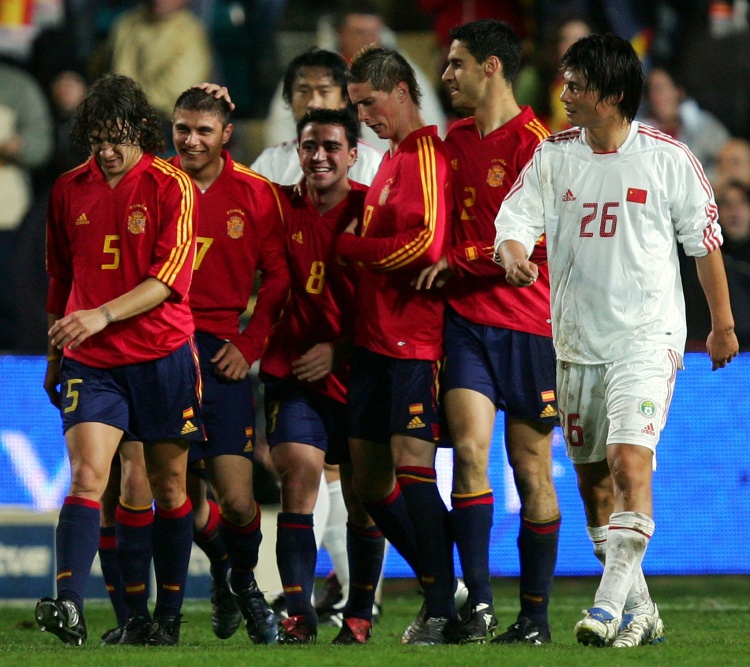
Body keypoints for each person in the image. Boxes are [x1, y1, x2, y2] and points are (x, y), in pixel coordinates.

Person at [494, 33, 739, 648]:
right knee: (594, 486)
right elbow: (514, 221)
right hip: (576, 343)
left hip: (646, 338)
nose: (565, 94)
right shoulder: (553, 157)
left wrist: (723, 325)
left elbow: (704, 243)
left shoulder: (667, 158)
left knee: (630, 463)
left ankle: (605, 610)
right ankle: (643, 610)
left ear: (610, 93)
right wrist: (515, 254)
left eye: (576, 85)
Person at [38, 73, 203, 646]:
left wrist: (101, 314)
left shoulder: (171, 186)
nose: (106, 151)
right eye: (96, 139)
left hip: (161, 353)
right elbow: (60, 277)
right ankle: (71, 604)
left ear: (141, 131)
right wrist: (55, 355)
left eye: (117, 138)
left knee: (165, 485)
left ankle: (167, 617)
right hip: (92, 360)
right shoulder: (68, 188)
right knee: (89, 476)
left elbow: (168, 279)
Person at [415, 19, 560, 645]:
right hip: (467, 324)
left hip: (529, 326)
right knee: (470, 453)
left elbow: (547, 241)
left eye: (456, 64)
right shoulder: (452, 142)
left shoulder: (539, 145)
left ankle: (535, 618)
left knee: (530, 467)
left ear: (491, 67)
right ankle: (478, 604)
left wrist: (465, 258)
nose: (447, 75)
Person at [338, 45, 456, 646]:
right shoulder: (389, 160)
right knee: (368, 483)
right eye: (357, 106)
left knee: (413, 470)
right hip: (372, 340)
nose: (363, 116)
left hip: (413, 339)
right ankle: (447, 583)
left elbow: (427, 243)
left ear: (402, 92)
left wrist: (353, 248)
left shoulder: (426, 156)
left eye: (369, 103)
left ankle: (440, 604)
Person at [169, 88, 289, 644]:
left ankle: (240, 579)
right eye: (183, 129)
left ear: (226, 135)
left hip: (222, 354)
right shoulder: (156, 183)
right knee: (180, 500)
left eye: (203, 131)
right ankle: (228, 575)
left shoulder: (257, 194)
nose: (191, 140)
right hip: (162, 350)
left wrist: (250, 344)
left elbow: (279, 279)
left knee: (239, 502)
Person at [260, 107, 384, 645]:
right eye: (309, 145)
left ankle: (359, 613)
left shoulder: (373, 212)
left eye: (331, 146)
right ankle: (298, 614)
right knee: (298, 479)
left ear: (353, 154)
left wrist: (339, 349)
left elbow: (389, 306)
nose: (319, 156)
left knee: (362, 499)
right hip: (294, 377)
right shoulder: (276, 207)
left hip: (360, 374)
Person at [264, 1, 446, 151]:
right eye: (360, 33)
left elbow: (429, 123)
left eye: (374, 32)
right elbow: (281, 126)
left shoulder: (402, 73)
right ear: (340, 33)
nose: (368, 39)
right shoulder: (311, 72)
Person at [251, 48, 382, 187]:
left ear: (344, 98)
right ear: (290, 98)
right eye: (303, 91)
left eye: (324, 91)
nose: (313, 103)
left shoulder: (369, 161)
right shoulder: (270, 161)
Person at [107, 0, 211, 142]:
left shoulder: (191, 33)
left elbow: (176, 93)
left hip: (168, 122)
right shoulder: (127, 22)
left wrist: (129, 101)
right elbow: (117, 73)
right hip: (120, 114)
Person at [638, 65, 730, 178]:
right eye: (650, 90)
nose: (655, 97)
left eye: (660, 89)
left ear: (679, 92)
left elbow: (728, 160)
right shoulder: (636, 133)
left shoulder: (704, 127)